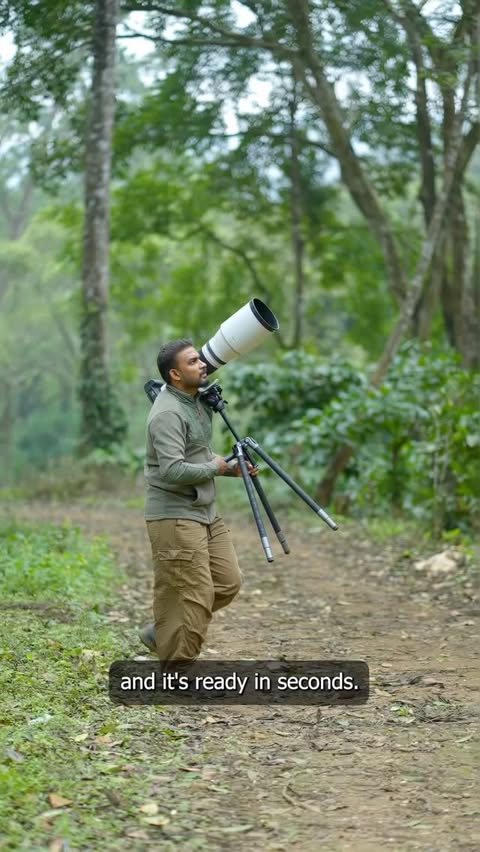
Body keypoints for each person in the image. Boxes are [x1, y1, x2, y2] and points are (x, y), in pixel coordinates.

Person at [140, 338, 257, 662]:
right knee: (195, 594)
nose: (203, 363)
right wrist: (214, 468)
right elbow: (173, 470)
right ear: (175, 375)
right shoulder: (166, 413)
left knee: (227, 582)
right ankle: (177, 669)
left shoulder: (195, 402)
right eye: (193, 362)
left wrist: (229, 468)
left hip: (204, 510)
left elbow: (197, 453)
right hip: (175, 514)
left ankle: (160, 633)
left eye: (199, 359)